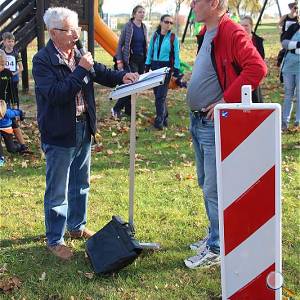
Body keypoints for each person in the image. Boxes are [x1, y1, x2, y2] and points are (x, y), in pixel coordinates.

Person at [32, 7, 139, 260]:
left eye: (77, 29)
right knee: (57, 189)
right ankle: (55, 239)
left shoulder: (77, 52)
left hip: (83, 127)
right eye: (71, 30)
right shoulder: (42, 60)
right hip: (59, 133)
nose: (77, 35)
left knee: (81, 182)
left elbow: (101, 72)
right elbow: (57, 94)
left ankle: (76, 227)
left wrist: (124, 76)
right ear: (54, 33)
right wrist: (80, 69)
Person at [184, 0, 267, 269]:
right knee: (205, 182)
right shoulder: (207, 32)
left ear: (215, 3)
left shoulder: (231, 30)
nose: (192, 5)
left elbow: (257, 68)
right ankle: (215, 235)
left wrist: (225, 100)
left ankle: (218, 246)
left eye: (197, 1)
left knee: (213, 187)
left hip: (213, 123)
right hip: (198, 121)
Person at [145, 14, 180, 129]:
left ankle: (159, 121)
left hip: (166, 68)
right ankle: (165, 116)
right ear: (161, 22)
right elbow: (150, 51)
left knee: (161, 95)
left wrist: (176, 70)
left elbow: (176, 55)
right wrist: (147, 64)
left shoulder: (173, 38)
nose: (168, 24)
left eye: (171, 23)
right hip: (155, 66)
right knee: (157, 94)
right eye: (166, 22)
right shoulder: (155, 36)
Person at [112, 5, 147, 119]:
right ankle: (116, 108)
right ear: (134, 14)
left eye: (143, 12)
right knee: (132, 85)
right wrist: (119, 60)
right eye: (140, 12)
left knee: (137, 86)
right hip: (130, 60)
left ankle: (128, 110)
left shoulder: (144, 27)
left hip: (141, 60)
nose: (142, 14)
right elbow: (120, 44)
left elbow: (144, 44)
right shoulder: (128, 26)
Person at [0, 50, 28, 153]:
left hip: (5, 105)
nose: (1, 66)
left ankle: (23, 145)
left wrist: (14, 104)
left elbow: (12, 91)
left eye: (3, 64)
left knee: (14, 123)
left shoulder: (7, 73)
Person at [240, 16, 265, 103]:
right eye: (241, 25)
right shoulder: (237, 40)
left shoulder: (258, 40)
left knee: (255, 100)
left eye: (246, 25)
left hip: (253, 74)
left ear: (251, 26)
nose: (243, 28)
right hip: (239, 75)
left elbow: (261, 57)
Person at [281, 22, 300, 130]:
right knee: (288, 94)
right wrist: (298, 44)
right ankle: (284, 122)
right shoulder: (294, 26)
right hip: (289, 65)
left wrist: (292, 46)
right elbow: (284, 43)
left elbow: (289, 45)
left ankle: (298, 122)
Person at [1, 32, 23, 108]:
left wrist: (14, 73)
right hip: (3, 79)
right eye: (9, 41)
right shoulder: (1, 53)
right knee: (4, 97)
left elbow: (21, 68)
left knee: (14, 97)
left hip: (13, 79)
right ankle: (6, 114)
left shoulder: (16, 54)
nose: (11, 43)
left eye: (12, 41)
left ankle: (16, 115)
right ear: (4, 42)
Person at [0, 100, 24, 166]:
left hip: (7, 130)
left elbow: (17, 112)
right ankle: (1, 158)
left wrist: (21, 114)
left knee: (11, 149)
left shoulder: (8, 113)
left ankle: (19, 146)